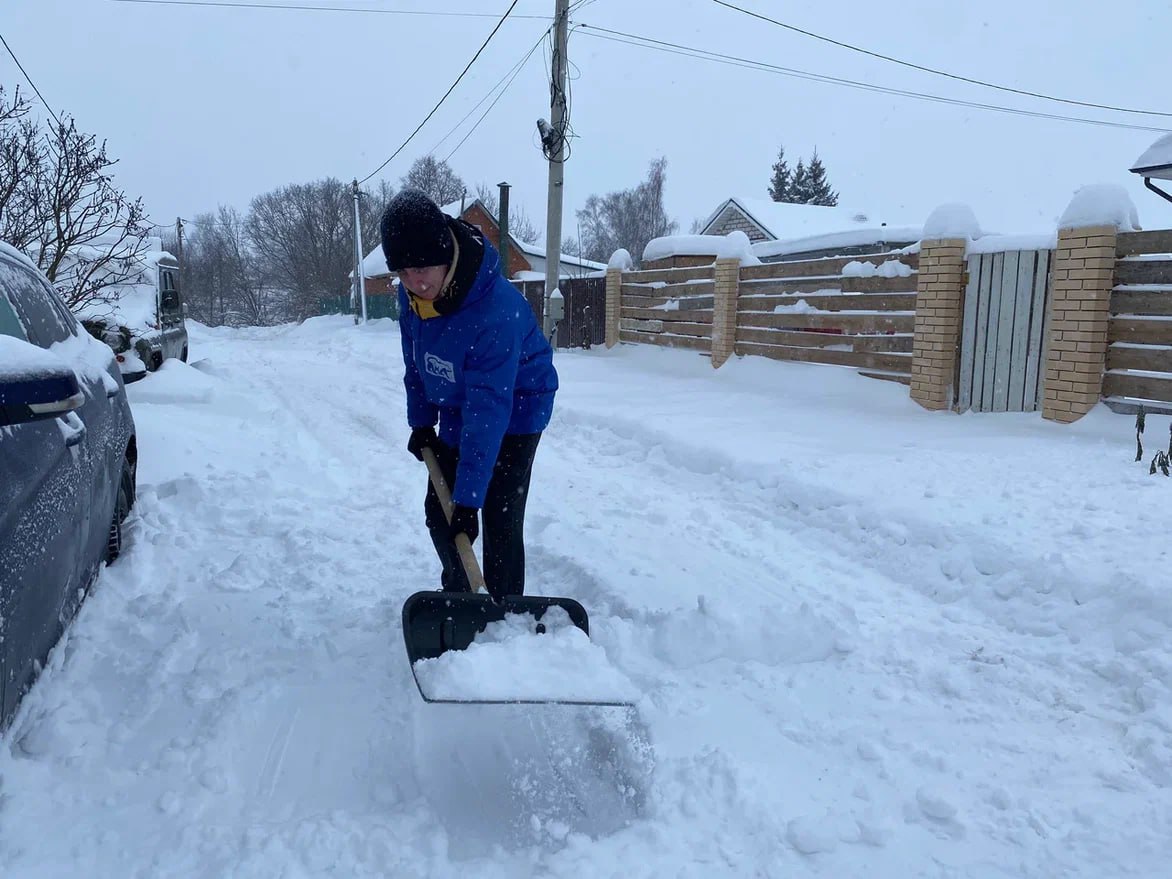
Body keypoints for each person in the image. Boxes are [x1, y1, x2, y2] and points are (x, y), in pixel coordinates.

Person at [381, 189, 558, 602]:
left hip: (517, 406)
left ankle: (505, 604)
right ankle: (463, 595)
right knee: (440, 512)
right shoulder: (412, 298)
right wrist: (422, 423)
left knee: (499, 511)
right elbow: (416, 365)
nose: (415, 282)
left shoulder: (495, 312)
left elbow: (490, 408)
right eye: (403, 272)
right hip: (460, 401)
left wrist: (469, 497)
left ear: (446, 255)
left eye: (422, 267)